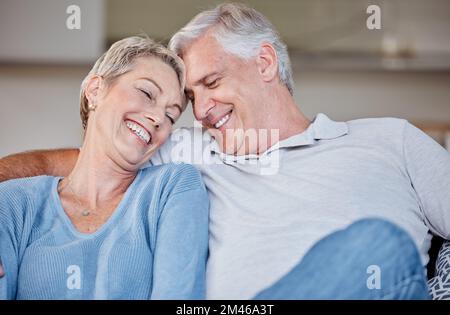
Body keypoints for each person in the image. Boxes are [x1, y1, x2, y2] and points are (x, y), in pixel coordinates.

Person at [1, 3, 450, 299]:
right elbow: (66, 167)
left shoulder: (391, 140)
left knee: (377, 246)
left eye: (212, 83)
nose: (202, 111)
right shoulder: (186, 153)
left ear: (266, 63)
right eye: (191, 100)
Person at [0, 36, 209, 299]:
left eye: (171, 115)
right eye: (146, 93)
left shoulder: (172, 188)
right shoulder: (13, 202)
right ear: (95, 91)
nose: (158, 118)